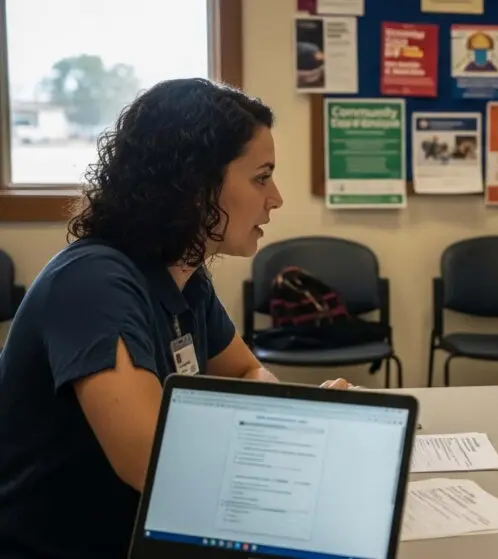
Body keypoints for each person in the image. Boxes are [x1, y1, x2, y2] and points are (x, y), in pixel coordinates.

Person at [0, 78, 350, 559]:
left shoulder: (183, 274)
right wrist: (295, 447)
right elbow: (151, 462)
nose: (276, 198)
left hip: (151, 530)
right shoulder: (93, 283)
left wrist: (298, 419)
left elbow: (247, 372)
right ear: (195, 184)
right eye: (261, 176)